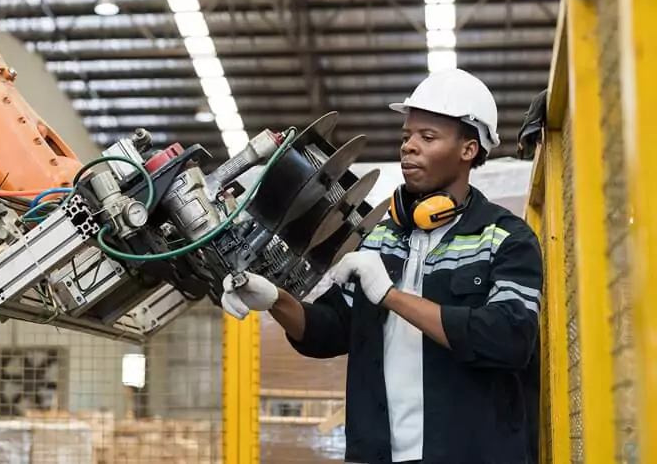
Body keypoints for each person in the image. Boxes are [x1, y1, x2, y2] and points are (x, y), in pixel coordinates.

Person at [222, 69, 542, 464]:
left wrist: (391, 296)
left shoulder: (505, 238)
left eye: (427, 137)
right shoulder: (383, 238)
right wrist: (275, 300)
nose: (409, 147)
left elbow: (510, 339)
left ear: (468, 150)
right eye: (407, 136)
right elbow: (332, 329)